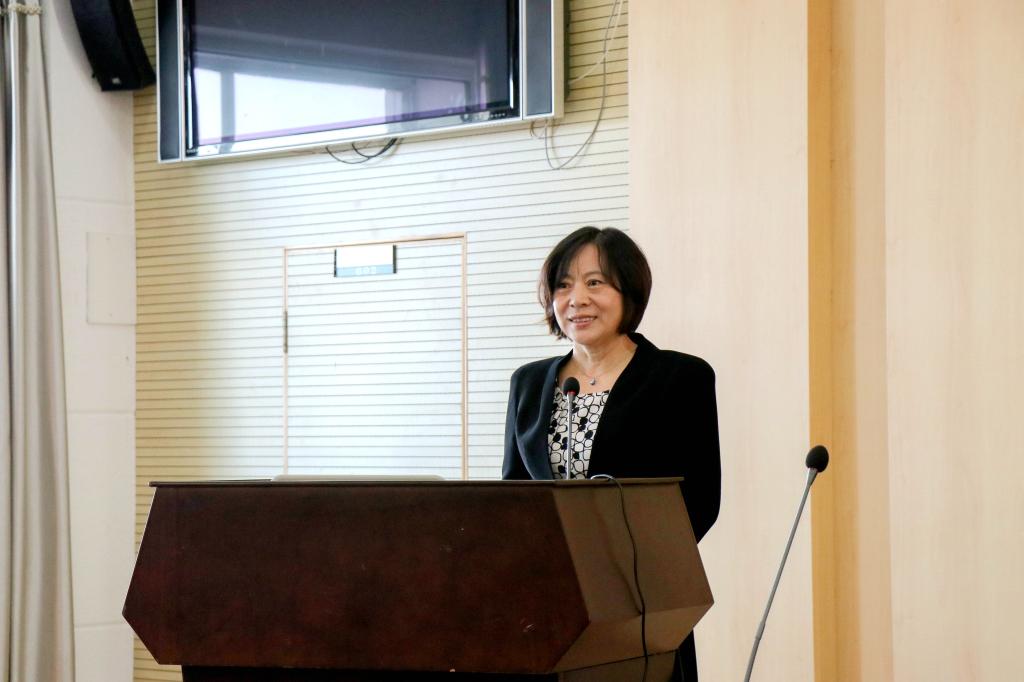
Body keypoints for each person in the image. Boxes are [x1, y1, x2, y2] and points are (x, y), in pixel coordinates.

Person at [502, 226, 721, 682]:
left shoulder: (679, 377)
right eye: (563, 285)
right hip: (548, 602)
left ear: (629, 292)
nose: (576, 299)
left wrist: (619, 567)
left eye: (595, 282)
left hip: (639, 599)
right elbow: (514, 494)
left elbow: (700, 500)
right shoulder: (529, 382)